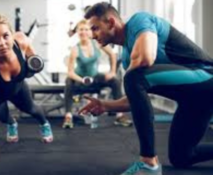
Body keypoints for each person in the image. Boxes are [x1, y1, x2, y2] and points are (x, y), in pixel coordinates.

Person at [80, 2, 213, 175]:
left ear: (111, 22)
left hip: (207, 78)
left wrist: (130, 80)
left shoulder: (139, 21)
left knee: (133, 77)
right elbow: (135, 98)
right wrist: (106, 105)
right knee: (182, 157)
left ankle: (148, 162)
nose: (92, 35)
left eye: (95, 28)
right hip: (194, 100)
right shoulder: (128, 58)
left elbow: (145, 59)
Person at [0, 14, 53, 163]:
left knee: (32, 109)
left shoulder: (21, 41)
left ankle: (44, 123)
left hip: (17, 88)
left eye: (5, 36)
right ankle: (11, 123)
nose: (2, 43)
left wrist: (31, 60)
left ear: (12, 35)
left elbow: (32, 55)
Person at [63, 19, 132, 129]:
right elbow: (70, 72)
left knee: (115, 80)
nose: (83, 32)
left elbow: (112, 55)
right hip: (80, 81)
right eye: (81, 30)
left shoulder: (97, 44)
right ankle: (68, 116)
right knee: (68, 81)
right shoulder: (75, 49)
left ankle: (120, 115)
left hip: (95, 78)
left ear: (90, 31)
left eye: (86, 29)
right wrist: (82, 80)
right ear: (77, 32)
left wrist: (112, 72)